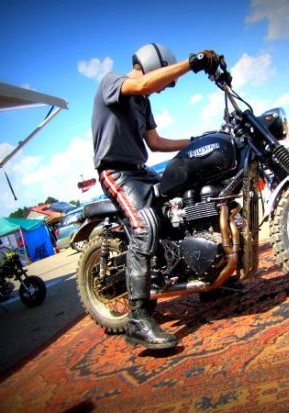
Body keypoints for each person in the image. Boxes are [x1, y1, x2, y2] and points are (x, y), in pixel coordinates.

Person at [91, 43, 220, 349]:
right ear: (152, 64)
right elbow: (144, 84)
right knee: (143, 226)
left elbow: (156, 142)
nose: (164, 88)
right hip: (115, 171)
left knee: (181, 207)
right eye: (166, 79)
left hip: (141, 170)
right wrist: (191, 63)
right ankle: (137, 319)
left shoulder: (143, 103)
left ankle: (204, 276)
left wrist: (195, 140)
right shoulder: (113, 81)